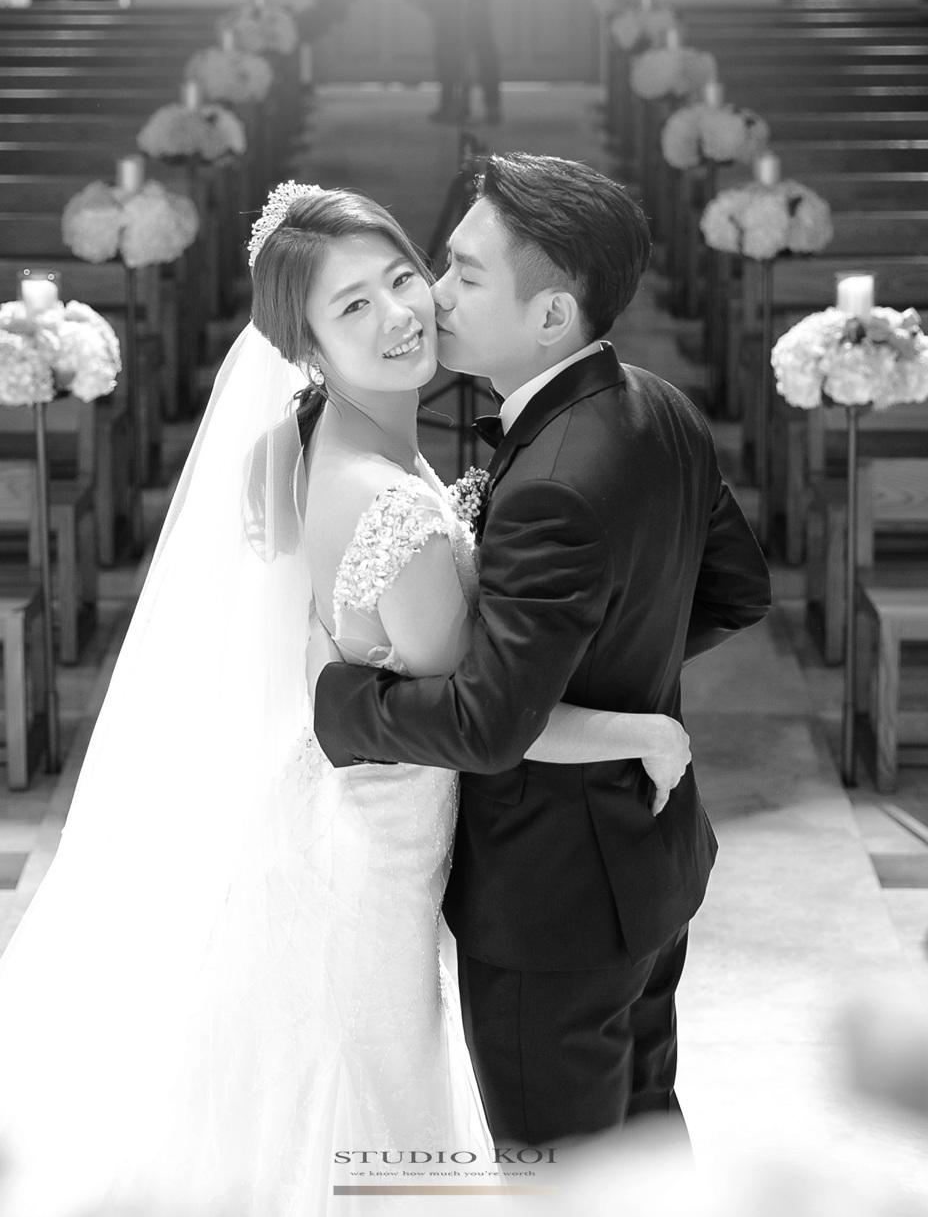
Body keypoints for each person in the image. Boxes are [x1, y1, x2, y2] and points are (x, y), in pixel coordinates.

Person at [0, 182, 698, 1217]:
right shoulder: (387, 504)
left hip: (340, 818)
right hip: (376, 855)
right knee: (379, 1107)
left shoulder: (316, 433)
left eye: (402, 277)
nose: (399, 314)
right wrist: (640, 732)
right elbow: (484, 718)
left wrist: (329, 650)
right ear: (305, 348)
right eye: (352, 307)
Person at [312, 152, 773, 1148]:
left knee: (556, 1170)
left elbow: (489, 722)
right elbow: (739, 590)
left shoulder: (552, 483)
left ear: (553, 315)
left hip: (551, 903)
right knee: (641, 1135)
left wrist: (343, 706)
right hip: (650, 860)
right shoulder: (660, 405)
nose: (434, 294)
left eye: (466, 275)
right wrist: (614, 675)